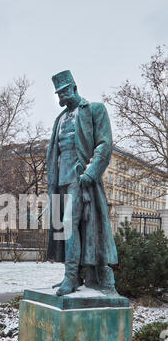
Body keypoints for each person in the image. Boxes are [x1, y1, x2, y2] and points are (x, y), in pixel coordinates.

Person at [46, 70, 118, 296]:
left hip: (81, 178)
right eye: (58, 93)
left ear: (74, 87)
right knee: (63, 228)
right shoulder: (59, 120)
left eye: (65, 91)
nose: (61, 97)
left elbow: (104, 145)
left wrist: (91, 172)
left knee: (68, 223)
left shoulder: (94, 110)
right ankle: (74, 276)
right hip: (60, 181)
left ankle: (70, 277)